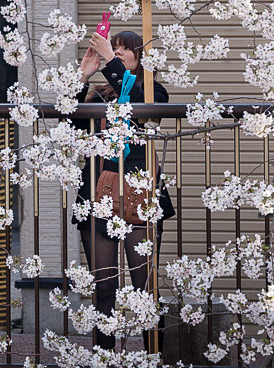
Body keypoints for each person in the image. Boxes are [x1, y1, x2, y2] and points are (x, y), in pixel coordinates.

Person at [71, 29, 174, 352]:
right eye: (113, 48)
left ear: (139, 57)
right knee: (104, 288)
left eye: (124, 50)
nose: (117, 53)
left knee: (144, 287)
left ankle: (151, 355)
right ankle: (103, 356)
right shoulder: (100, 96)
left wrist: (112, 64)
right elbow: (70, 121)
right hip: (96, 192)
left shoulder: (151, 90)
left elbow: (142, 111)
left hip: (138, 195)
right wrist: (83, 77)